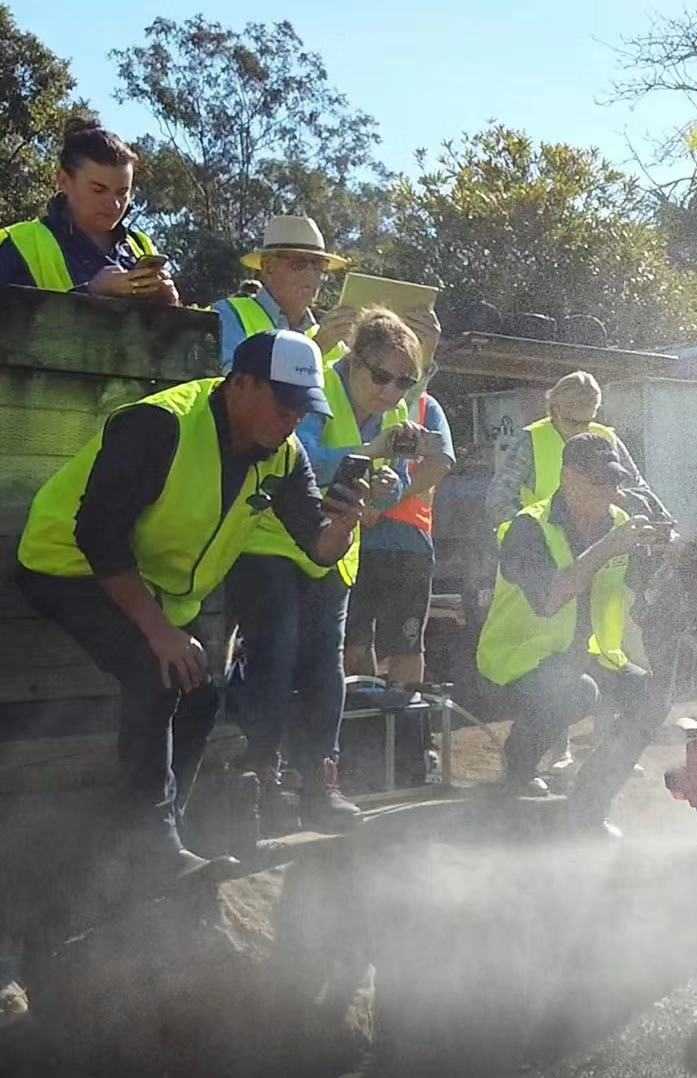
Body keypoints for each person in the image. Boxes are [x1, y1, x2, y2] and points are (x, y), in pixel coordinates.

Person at [13, 331, 365, 880]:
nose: (292, 418)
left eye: (303, 407)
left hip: (151, 584)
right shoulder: (159, 425)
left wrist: (344, 525)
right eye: (283, 402)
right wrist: (159, 633)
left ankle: (161, 831)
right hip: (67, 564)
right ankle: (149, 846)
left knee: (201, 698)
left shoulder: (284, 456)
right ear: (241, 383)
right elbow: (97, 535)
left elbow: (315, 543)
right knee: (158, 674)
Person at [227, 309, 430, 833]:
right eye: (381, 377)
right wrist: (371, 452)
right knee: (274, 659)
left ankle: (319, 785)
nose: (391, 392)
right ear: (354, 361)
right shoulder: (314, 389)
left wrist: (385, 488)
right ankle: (261, 785)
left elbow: (396, 479)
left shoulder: (397, 410)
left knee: (325, 670)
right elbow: (303, 465)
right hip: (271, 543)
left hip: (337, 551)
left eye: (404, 381)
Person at [477, 433, 671, 826]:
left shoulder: (619, 524)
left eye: (614, 483)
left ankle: (590, 802)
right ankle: (514, 777)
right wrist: (606, 549)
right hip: (519, 656)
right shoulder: (527, 527)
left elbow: (639, 591)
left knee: (651, 697)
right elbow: (550, 600)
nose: (610, 493)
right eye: (598, 482)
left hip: (590, 654)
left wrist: (665, 556)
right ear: (568, 477)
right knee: (573, 690)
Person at [346, 387, 456, 684]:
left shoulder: (424, 404)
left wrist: (384, 503)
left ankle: (405, 726)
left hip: (408, 541)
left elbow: (441, 462)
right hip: (351, 539)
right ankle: (362, 722)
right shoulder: (344, 394)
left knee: (406, 644)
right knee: (353, 643)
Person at [0, 119, 176, 302]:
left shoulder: (141, 246)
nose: (114, 205)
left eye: (122, 192)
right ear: (63, 181)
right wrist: (90, 293)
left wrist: (172, 305)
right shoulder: (15, 244)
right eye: (98, 190)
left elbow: (170, 329)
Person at [486, 371, 664, 528]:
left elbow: (639, 489)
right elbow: (499, 501)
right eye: (573, 422)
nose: (580, 430)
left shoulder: (606, 438)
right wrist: (529, 533)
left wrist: (661, 521)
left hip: (600, 544)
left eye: (586, 422)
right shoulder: (530, 440)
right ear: (555, 411)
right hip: (545, 549)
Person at [216, 215, 351, 368]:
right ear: (268, 267)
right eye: (299, 264)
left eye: (318, 265)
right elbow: (234, 384)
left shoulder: (333, 339)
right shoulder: (227, 314)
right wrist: (316, 349)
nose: (311, 274)